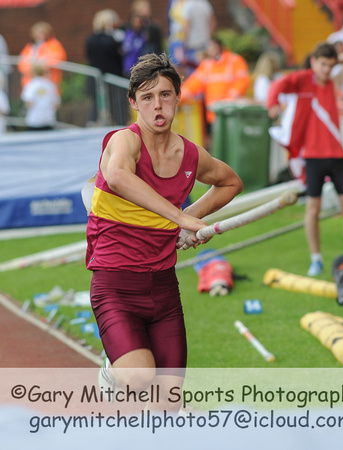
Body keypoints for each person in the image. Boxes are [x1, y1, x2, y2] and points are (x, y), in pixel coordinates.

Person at [86, 53, 243, 409]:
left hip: (163, 289)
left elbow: (231, 182)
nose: (158, 105)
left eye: (166, 95)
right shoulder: (123, 142)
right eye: (147, 97)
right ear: (133, 103)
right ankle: (113, 372)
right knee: (140, 377)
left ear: (177, 98)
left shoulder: (190, 154)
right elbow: (117, 177)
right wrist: (181, 218)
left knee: (169, 403)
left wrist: (191, 216)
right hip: (115, 284)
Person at [267, 42, 343, 277]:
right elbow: (278, 85)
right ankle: (316, 259)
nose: (327, 70)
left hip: (337, 155)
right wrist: (272, 104)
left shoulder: (333, 82)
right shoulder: (303, 80)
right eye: (323, 65)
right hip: (312, 157)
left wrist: (331, 60)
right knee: (313, 209)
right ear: (313, 62)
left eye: (331, 66)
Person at [181, 37, 251, 131]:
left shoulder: (234, 61)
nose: (210, 50)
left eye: (213, 47)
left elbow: (243, 80)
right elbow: (193, 83)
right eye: (209, 48)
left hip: (230, 112)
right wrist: (179, 96)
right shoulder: (207, 65)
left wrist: (230, 97)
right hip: (213, 113)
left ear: (220, 47)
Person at [18, 22, 67, 90]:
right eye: (37, 33)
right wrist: (33, 69)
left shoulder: (53, 45)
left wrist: (41, 66)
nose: (39, 35)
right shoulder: (30, 47)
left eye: (41, 33)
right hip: (31, 82)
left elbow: (58, 58)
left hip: (49, 81)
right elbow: (22, 63)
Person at [21, 63, 60, 131]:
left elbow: (29, 102)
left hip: (34, 120)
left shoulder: (31, 85)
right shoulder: (51, 85)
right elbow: (57, 104)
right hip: (48, 120)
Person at [182, 0, 216, 70]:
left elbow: (187, 26)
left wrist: (184, 42)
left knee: (193, 71)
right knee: (206, 69)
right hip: (205, 42)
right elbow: (213, 23)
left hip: (192, 43)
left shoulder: (188, 5)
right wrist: (208, 37)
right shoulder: (205, 4)